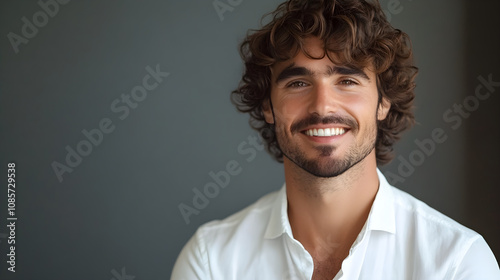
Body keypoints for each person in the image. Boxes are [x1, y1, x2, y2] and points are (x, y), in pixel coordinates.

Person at [171, 0, 500, 279]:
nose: (322, 106)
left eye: (347, 80)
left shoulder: (457, 263)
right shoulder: (211, 261)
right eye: (298, 83)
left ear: (383, 101)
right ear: (267, 106)